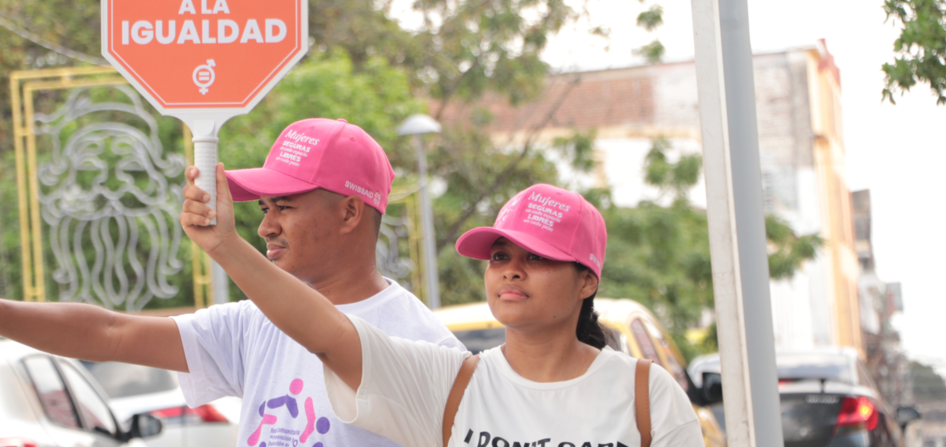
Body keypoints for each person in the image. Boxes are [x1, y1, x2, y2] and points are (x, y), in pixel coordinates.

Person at [0, 118, 464, 447]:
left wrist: (227, 247)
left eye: (284, 206)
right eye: (262, 207)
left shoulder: (426, 349)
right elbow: (109, 333)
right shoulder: (253, 323)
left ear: (349, 213)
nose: (264, 225)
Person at [180, 172, 705, 447]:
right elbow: (326, 332)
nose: (511, 270)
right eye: (501, 256)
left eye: (538, 258)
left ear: (587, 280)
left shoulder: (645, 394)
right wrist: (226, 246)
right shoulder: (450, 380)